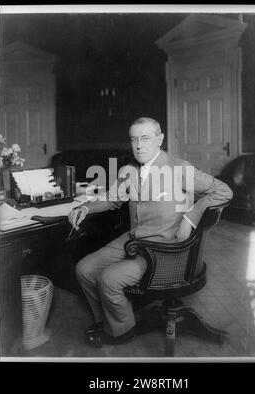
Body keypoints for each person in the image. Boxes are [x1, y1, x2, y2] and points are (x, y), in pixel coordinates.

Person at [68, 117, 233, 347]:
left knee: (109, 279)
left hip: (165, 246)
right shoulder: (128, 170)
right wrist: (85, 206)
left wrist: (190, 216)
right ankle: (107, 321)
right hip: (135, 238)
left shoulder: (179, 168)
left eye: (145, 138)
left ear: (160, 139)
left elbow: (223, 190)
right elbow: (112, 199)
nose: (139, 145)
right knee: (84, 269)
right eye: (134, 139)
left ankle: (120, 331)